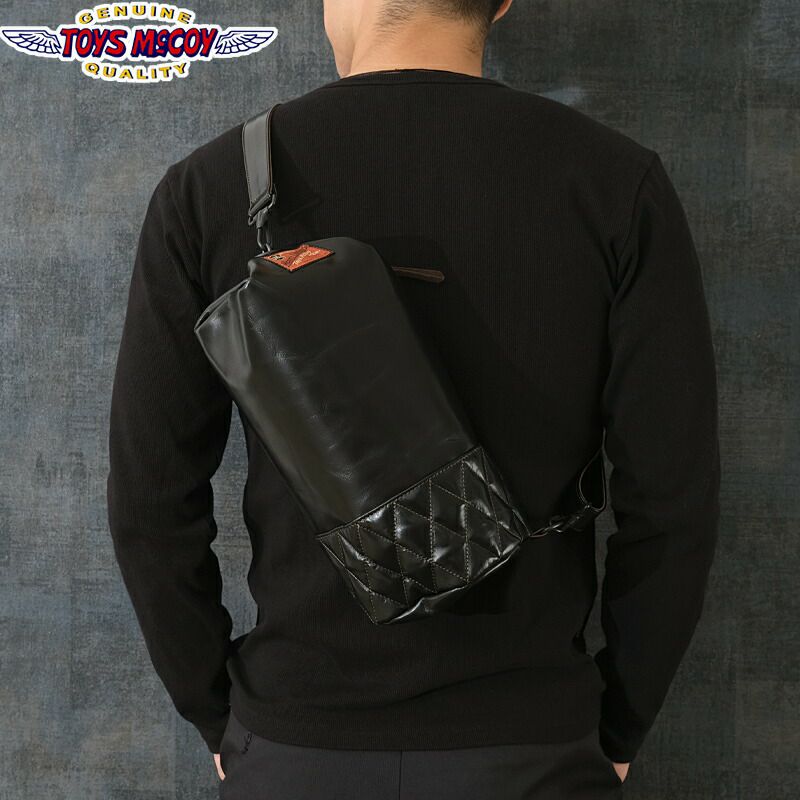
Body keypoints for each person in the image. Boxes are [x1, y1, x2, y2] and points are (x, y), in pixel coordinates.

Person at [106, 0, 721, 797]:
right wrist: (621, 723)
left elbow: (151, 502)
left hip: (297, 742)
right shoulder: (615, 183)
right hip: (534, 747)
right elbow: (672, 502)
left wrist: (215, 712)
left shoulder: (209, 188)